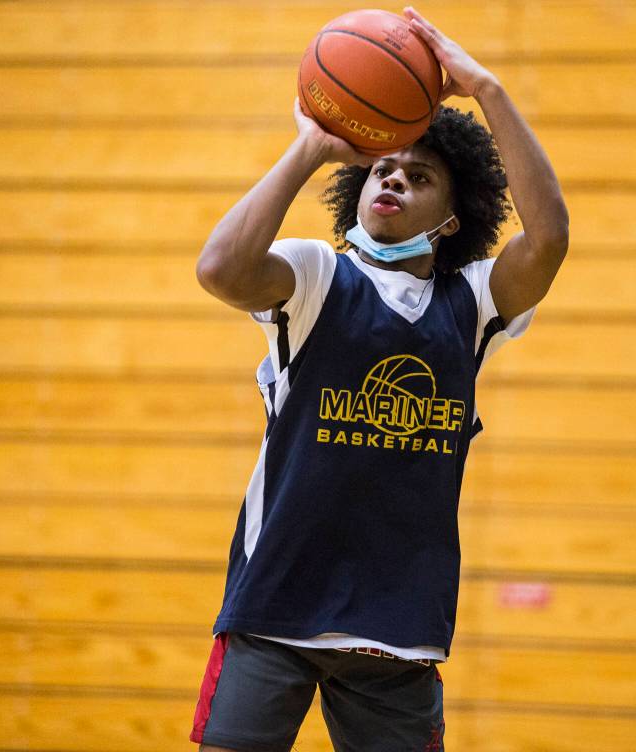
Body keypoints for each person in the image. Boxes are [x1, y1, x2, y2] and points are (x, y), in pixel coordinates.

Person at [188, 7, 568, 751]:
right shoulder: (317, 274)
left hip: (396, 630)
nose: (392, 178)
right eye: (382, 169)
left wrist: (486, 87)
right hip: (274, 607)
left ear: (451, 222)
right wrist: (309, 149)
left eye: (417, 176)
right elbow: (219, 270)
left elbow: (549, 237)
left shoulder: (475, 303)